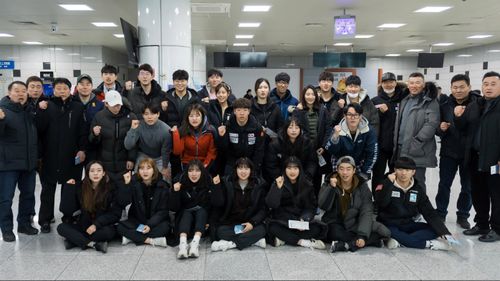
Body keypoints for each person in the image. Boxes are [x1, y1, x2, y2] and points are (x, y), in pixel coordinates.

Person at [36, 78, 87, 233]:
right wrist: (40, 110)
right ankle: (45, 219)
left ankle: (67, 215)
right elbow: (39, 129)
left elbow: (83, 131)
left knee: (70, 187)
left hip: (70, 154)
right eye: (58, 88)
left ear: (70, 90)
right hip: (49, 155)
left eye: (65, 88)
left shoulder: (78, 107)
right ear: (53, 90)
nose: (61, 91)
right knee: (47, 188)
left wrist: (82, 149)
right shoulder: (47, 106)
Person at [374, 157, 453, 251]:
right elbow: (381, 203)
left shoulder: (417, 189)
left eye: (407, 170)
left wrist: (443, 231)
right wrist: (389, 184)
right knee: (388, 232)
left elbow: (429, 212)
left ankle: (400, 241)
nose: (403, 173)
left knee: (435, 230)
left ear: (413, 172)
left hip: (408, 223)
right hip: (389, 224)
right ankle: (429, 244)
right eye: (400, 169)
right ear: (394, 170)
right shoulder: (384, 184)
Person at [318, 156, 390, 252]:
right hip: (335, 222)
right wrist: (331, 188)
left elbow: (366, 210)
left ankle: (347, 245)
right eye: (341, 169)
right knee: (334, 233)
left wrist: (362, 235)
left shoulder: (362, 186)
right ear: (337, 170)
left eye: (348, 169)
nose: (345, 172)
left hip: (354, 222)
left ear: (354, 170)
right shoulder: (329, 182)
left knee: (384, 232)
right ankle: (370, 241)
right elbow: (323, 206)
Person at [435, 74, 479, 230]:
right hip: (449, 152)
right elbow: (437, 128)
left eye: (462, 87)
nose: (458, 90)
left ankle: (463, 215)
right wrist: (440, 129)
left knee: (467, 187)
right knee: (444, 184)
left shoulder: (477, 104)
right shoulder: (445, 104)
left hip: (470, 153)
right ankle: (440, 213)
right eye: (455, 87)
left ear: (469, 87)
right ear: (451, 88)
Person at [462, 71, 500, 242]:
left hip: (495, 160)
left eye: (493, 84)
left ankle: (497, 229)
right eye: (486, 84)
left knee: (497, 194)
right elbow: (464, 125)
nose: (488, 87)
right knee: (478, 192)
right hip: (476, 157)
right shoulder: (477, 104)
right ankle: (481, 223)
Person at [0, 81, 39, 242]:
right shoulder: (3, 111)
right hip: (8, 164)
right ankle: (6, 229)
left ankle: (23, 224)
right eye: (17, 91)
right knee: (6, 198)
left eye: (24, 91)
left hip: (28, 163)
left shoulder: (29, 110)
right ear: (9, 93)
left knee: (28, 195)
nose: (21, 94)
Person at [57, 161, 121, 253]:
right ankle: (93, 244)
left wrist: (96, 225)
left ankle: (75, 240)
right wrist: (68, 189)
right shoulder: (80, 187)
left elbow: (115, 214)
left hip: (101, 226)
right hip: (84, 226)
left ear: (103, 173)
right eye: (92, 171)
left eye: (99, 170)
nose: (95, 173)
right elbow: (66, 210)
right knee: (61, 227)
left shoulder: (111, 188)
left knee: (108, 232)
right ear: (87, 173)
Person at [393, 72, 440, 192]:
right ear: (408, 85)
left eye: (418, 83)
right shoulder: (405, 100)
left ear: (423, 84)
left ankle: (419, 208)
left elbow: (431, 124)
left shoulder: (430, 101)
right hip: (401, 147)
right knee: (401, 181)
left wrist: (417, 141)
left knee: (417, 183)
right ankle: (403, 208)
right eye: (411, 83)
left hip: (417, 148)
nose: (414, 86)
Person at [266, 157, 326, 250]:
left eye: (295, 168)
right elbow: (272, 205)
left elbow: (311, 207)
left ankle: (285, 239)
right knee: (272, 227)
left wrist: (304, 219)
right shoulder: (279, 182)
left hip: (300, 221)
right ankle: (302, 242)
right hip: (283, 221)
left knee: (318, 228)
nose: (292, 171)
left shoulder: (307, 184)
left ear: (300, 169)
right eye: (289, 168)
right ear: (284, 169)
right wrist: (277, 188)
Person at [210, 158, 268, 251]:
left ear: (251, 170)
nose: (243, 171)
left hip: (249, 223)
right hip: (232, 224)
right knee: (221, 231)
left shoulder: (258, 185)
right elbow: (218, 203)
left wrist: (252, 223)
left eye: (246, 168)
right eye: (240, 168)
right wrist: (216, 187)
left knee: (262, 230)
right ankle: (253, 241)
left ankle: (230, 244)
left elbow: (263, 209)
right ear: (235, 170)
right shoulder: (227, 183)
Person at [117, 158, 170, 247]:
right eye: (141, 168)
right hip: (138, 221)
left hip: (155, 223)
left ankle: (131, 237)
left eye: (148, 168)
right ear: (138, 171)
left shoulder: (162, 186)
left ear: (154, 170)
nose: (145, 171)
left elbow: (163, 211)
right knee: (120, 227)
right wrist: (126, 185)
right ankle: (151, 241)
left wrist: (149, 225)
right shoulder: (134, 184)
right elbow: (123, 202)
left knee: (166, 228)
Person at [89, 90, 138, 183]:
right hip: (105, 163)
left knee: (123, 192)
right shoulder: (99, 117)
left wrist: (131, 159)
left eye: (118, 105)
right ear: (106, 104)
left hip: (124, 163)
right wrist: (95, 134)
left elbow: (135, 141)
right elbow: (93, 142)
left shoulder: (131, 116)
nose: (117, 108)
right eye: (113, 105)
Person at [170, 160, 214, 258]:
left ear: (202, 172)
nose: (194, 174)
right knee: (186, 212)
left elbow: (211, 206)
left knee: (201, 211)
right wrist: (175, 192)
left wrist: (209, 221)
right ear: (187, 172)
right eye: (191, 170)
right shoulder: (180, 182)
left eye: (197, 170)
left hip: (201, 218)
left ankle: (195, 244)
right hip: (185, 217)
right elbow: (174, 208)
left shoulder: (207, 182)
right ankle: (183, 244)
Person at [371, 72, 407, 191]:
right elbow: (371, 121)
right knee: (378, 175)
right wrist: (380, 113)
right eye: (385, 82)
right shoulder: (375, 100)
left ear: (395, 83)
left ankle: (392, 200)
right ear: (381, 84)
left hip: (397, 146)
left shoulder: (403, 99)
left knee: (396, 174)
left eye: (391, 82)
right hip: (380, 146)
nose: (388, 85)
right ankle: (377, 200)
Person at [292, 85, 333, 187]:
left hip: (318, 150)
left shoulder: (323, 110)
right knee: (303, 179)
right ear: (304, 96)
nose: (310, 97)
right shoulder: (298, 110)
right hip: (303, 150)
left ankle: (315, 202)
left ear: (316, 96)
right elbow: (294, 128)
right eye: (307, 94)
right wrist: (298, 111)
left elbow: (328, 129)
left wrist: (323, 146)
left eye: (312, 94)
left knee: (317, 180)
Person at [325, 103, 377, 180]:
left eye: (356, 115)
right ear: (345, 116)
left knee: (358, 188)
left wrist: (365, 172)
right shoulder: (337, 129)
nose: (353, 118)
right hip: (341, 163)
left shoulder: (369, 130)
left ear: (360, 116)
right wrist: (335, 136)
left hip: (359, 163)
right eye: (349, 115)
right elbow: (331, 150)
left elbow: (372, 153)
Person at [124, 103, 172, 181]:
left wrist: (165, 167)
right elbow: (128, 145)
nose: (149, 117)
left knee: (165, 178)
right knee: (137, 179)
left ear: (158, 114)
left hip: (160, 157)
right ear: (142, 115)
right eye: (146, 114)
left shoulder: (166, 130)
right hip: (144, 155)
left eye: (153, 114)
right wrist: (132, 130)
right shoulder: (138, 125)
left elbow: (165, 151)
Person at [217, 98, 266, 175]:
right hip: (232, 162)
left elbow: (259, 151)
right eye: (239, 110)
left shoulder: (257, 127)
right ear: (234, 111)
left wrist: (254, 167)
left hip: (251, 162)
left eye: (245, 110)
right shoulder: (228, 127)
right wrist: (222, 137)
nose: (242, 113)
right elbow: (224, 149)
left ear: (249, 111)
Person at [264, 116, 316, 184]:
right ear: (285, 129)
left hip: (303, 178)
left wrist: (306, 177)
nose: (294, 130)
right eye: (290, 127)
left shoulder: (307, 143)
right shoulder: (275, 144)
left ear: (300, 129)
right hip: (281, 179)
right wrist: (279, 177)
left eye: (297, 128)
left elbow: (311, 162)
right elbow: (271, 164)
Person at [172, 103, 217, 172]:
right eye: (191, 116)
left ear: (203, 117)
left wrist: (204, 167)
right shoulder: (183, 130)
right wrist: (175, 134)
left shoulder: (210, 130)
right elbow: (177, 152)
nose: (194, 119)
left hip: (204, 164)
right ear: (187, 118)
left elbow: (211, 153)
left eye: (197, 116)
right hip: (187, 164)